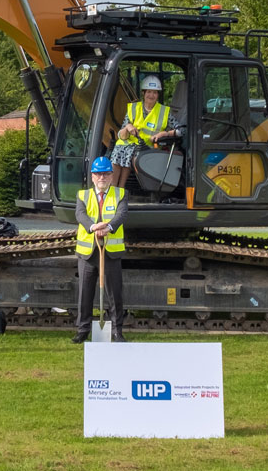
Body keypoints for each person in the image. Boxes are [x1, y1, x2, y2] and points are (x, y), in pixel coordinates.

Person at [72, 157, 128, 343]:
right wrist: (93, 227)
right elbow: (80, 214)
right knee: (85, 294)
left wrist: (109, 227)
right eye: (98, 174)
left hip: (111, 252)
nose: (102, 177)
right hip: (88, 253)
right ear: (93, 176)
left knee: (115, 294)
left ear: (112, 176)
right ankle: (82, 330)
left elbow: (121, 214)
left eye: (105, 173)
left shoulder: (120, 194)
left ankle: (117, 331)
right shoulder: (83, 195)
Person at [110, 75, 178, 188]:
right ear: (143, 93)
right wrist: (128, 127)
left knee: (130, 153)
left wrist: (165, 133)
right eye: (149, 92)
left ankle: (120, 188)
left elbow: (181, 130)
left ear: (158, 95)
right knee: (119, 151)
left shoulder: (164, 111)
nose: (151, 95)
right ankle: (113, 189)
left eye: (155, 92)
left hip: (148, 147)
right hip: (128, 144)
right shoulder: (133, 108)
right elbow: (121, 136)